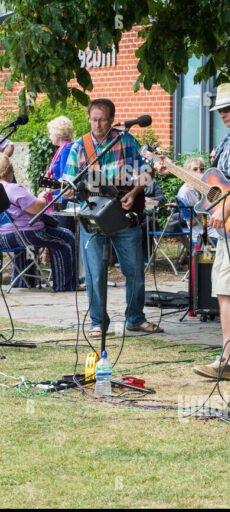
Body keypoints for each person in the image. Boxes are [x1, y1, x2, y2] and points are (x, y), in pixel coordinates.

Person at [159, 82, 230, 379]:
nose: (222, 115)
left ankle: (227, 361)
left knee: (228, 289)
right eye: (219, 110)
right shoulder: (229, 140)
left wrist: (227, 206)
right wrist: (172, 168)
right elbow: (213, 186)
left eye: (228, 108)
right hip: (228, 226)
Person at [63, 98, 161, 337]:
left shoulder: (126, 140)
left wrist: (135, 192)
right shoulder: (79, 147)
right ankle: (97, 322)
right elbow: (68, 183)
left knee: (134, 269)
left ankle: (135, 318)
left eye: (102, 120)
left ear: (111, 120)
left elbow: (148, 170)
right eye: (93, 119)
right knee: (95, 271)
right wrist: (67, 190)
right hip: (94, 217)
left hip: (125, 215)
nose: (97, 125)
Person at [0, 154, 77, 291]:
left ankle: (24, 284)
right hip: (24, 234)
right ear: (10, 172)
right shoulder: (13, 189)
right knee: (65, 237)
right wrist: (42, 197)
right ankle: (64, 286)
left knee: (28, 247)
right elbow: (36, 208)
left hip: (3, 238)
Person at [45, 116, 75, 181]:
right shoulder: (65, 148)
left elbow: (64, 180)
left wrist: (48, 190)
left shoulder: (66, 150)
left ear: (58, 133)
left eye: (50, 134)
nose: (49, 137)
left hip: (60, 191)